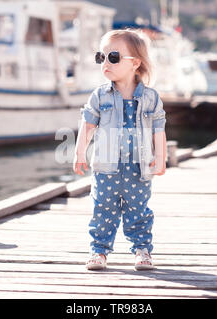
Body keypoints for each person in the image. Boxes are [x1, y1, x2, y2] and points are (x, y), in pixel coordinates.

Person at [73, 29, 167, 271]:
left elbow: (158, 129)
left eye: (113, 57)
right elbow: (88, 124)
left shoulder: (150, 98)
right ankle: (99, 251)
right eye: (101, 57)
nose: (105, 63)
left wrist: (161, 158)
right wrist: (79, 151)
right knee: (103, 208)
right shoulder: (100, 96)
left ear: (135, 63)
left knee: (139, 210)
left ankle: (142, 250)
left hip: (139, 167)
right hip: (107, 167)